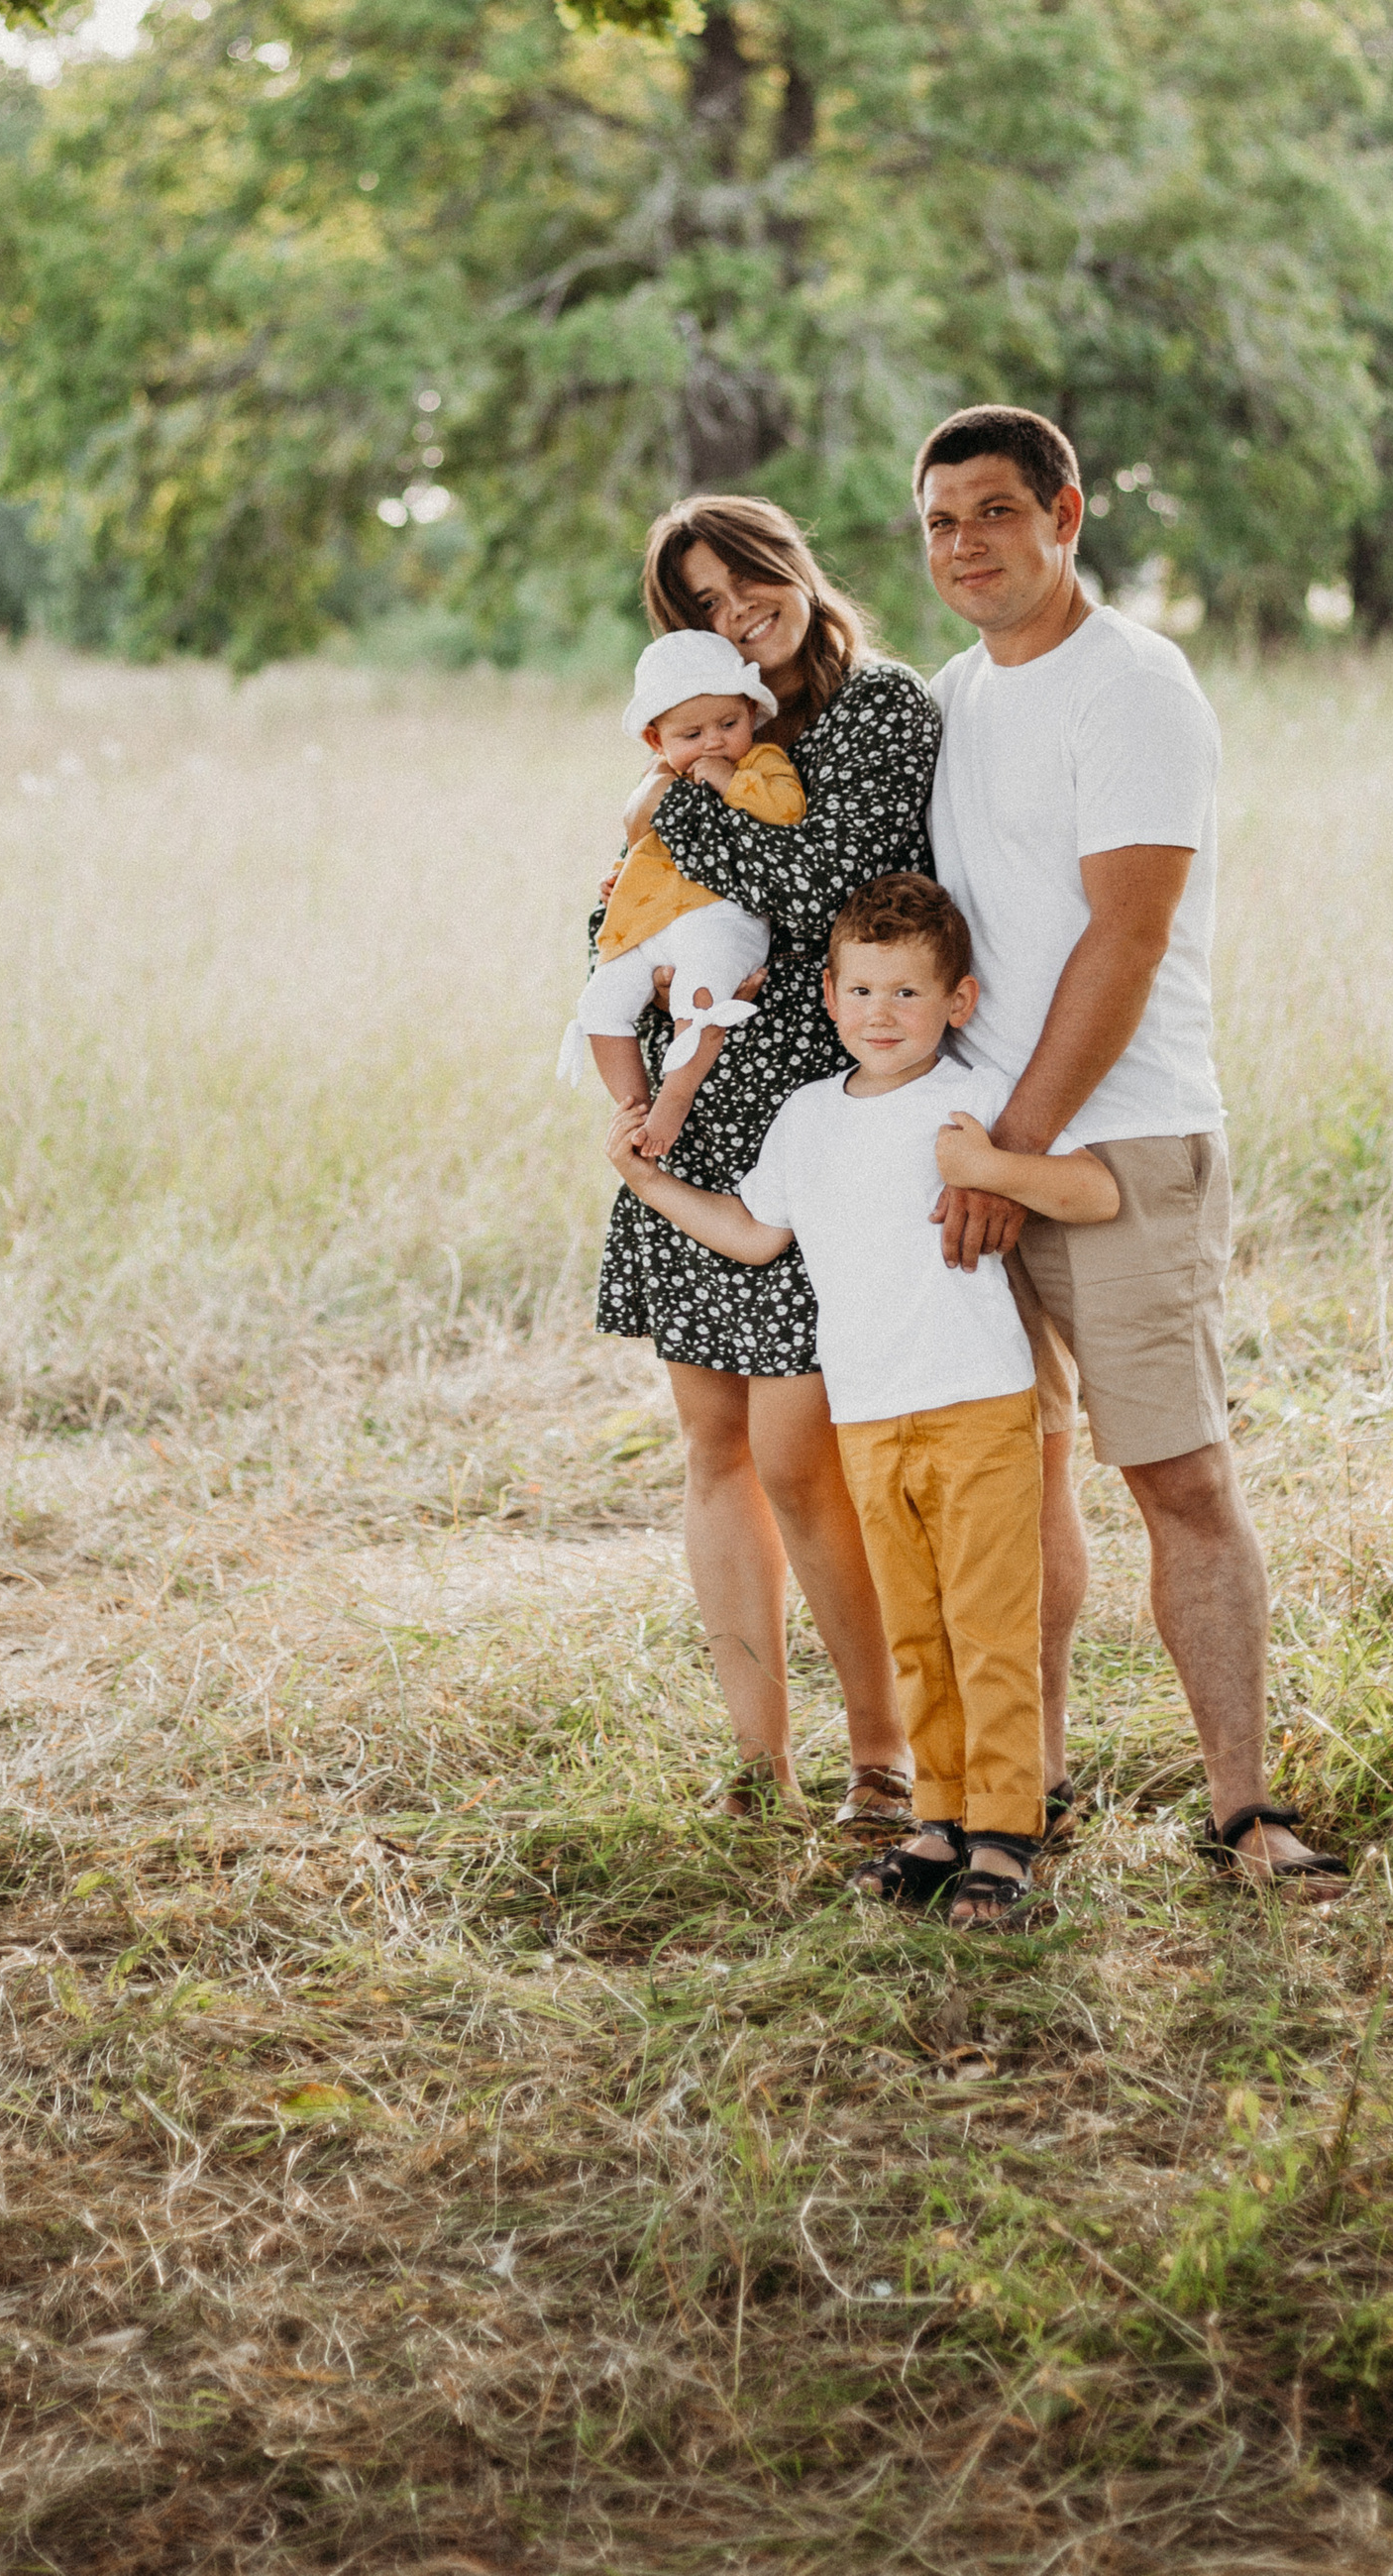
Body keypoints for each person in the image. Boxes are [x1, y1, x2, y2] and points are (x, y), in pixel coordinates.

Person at [917, 403, 1347, 1896]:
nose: (964, 546)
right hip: (981, 1150)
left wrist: (1009, 1153)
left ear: (1065, 515)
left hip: (1120, 1147)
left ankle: (1243, 1808)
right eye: (939, 523)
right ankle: (1021, 1799)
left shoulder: (1135, 687)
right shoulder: (955, 697)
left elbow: (1129, 931)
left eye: (992, 512)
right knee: (1010, 1489)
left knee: (1174, 1475)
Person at [607, 873, 1118, 1930]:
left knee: (987, 1624)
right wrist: (649, 1185)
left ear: (957, 1004)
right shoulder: (804, 1120)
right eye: (863, 992)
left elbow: (1096, 1192)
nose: (882, 1016)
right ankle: (936, 1820)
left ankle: (1006, 1835)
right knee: (917, 1628)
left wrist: (990, 1167)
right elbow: (756, 1234)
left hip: (976, 1404)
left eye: (908, 995)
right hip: (869, 1415)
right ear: (828, 998)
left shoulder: (967, 1101)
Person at [593, 494, 942, 1827]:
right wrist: (623, 1053)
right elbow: (612, 915)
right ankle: (758, 1760)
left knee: (805, 1457)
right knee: (714, 1451)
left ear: (792, 568)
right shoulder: (703, 732)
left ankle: (881, 1755)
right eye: (702, 606)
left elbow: (831, 888)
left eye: (748, 580)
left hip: (819, 1125)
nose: (737, 613)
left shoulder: (875, 710)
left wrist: (674, 811)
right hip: (688, 1113)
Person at [558, 630, 805, 1163]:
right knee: (600, 1002)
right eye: (692, 733)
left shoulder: (760, 762)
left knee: (702, 994)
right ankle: (633, 1108)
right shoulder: (658, 781)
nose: (714, 742)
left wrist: (729, 781)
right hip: (651, 922)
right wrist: (621, 875)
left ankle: (676, 1096)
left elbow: (787, 808)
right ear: (657, 740)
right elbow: (646, 846)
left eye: (728, 724)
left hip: (721, 916)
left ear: (750, 714)